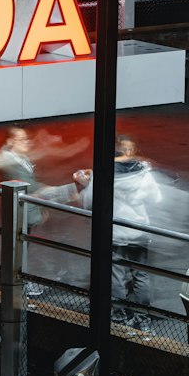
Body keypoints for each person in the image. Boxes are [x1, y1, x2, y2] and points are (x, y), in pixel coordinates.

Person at [74, 134, 163, 334]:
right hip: (139, 230)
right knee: (141, 276)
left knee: (116, 275)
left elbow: (89, 201)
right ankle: (143, 318)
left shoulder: (103, 171)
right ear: (132, 151)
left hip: (114, 232)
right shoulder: (143, 172)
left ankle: (119, 315)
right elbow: (156, 198)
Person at [0, 125, 81, 296]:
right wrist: (66, 192)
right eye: (21, 139)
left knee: (20, 247)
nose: (26, 142)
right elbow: (30, 187)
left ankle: (15, 282)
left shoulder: (16, 157)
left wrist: (39, 207)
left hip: (25, 209)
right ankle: (15, 285)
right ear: (10, 142)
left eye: (27, 138)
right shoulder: (11, 163)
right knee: (17, 249)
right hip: (18, 212)